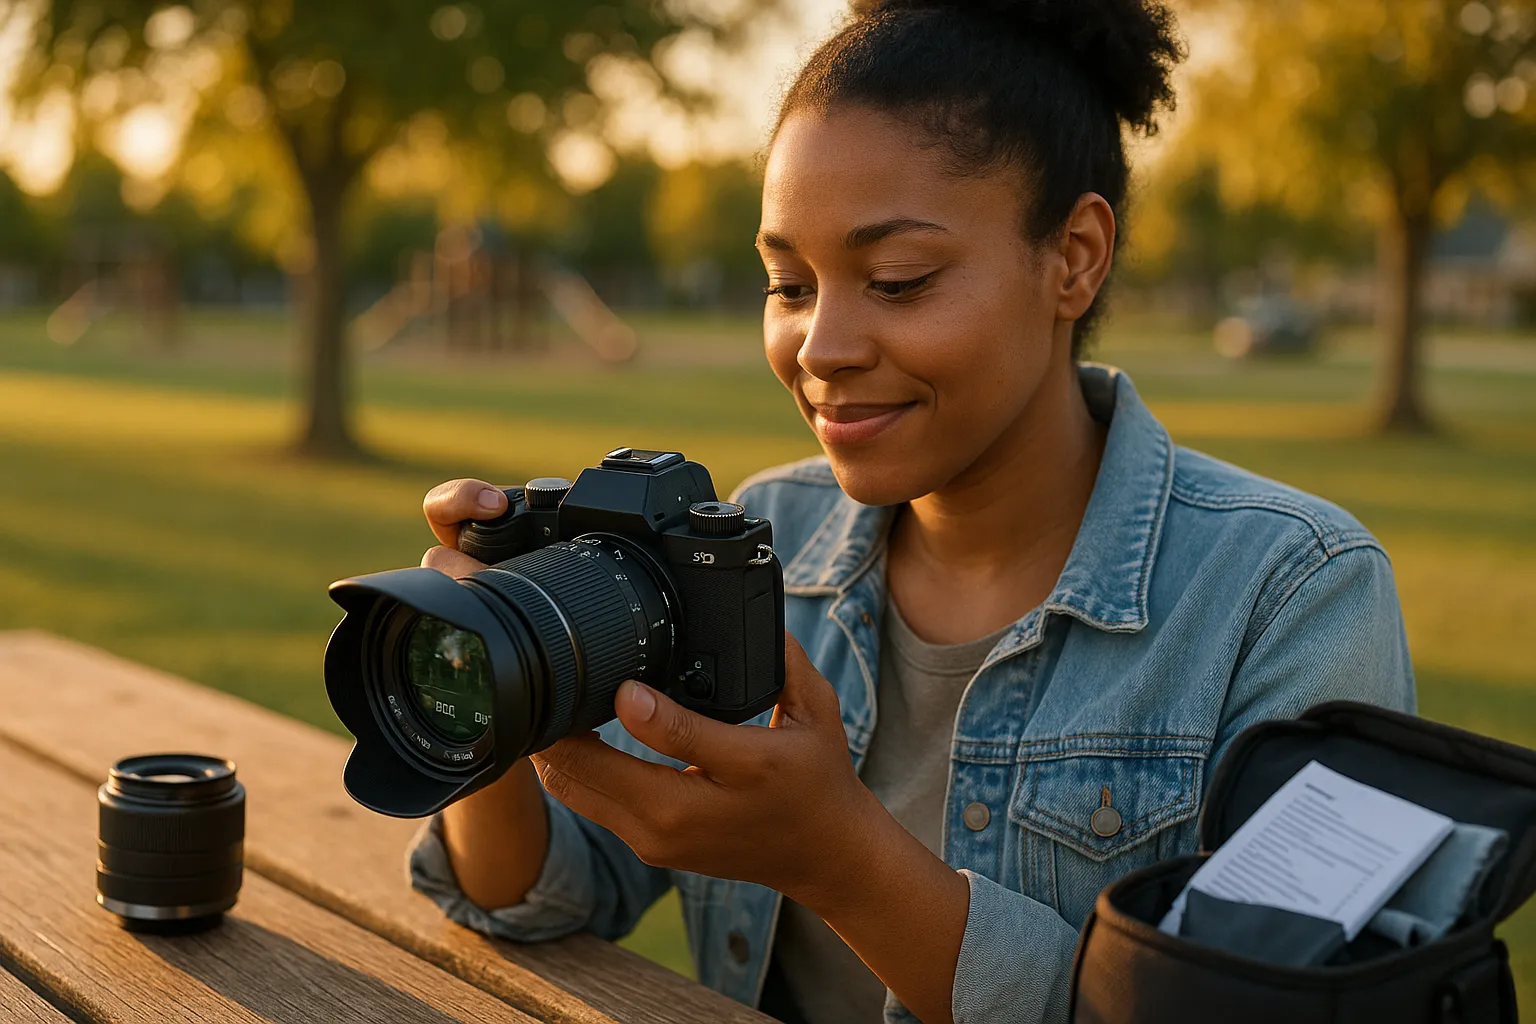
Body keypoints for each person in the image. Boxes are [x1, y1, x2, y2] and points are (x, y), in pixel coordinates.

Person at [405, 1, 1416, 1021]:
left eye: (898, 280)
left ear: (1074, 257)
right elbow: (539, 892)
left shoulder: (1292, 597)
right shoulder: (763, 543)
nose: (821, 345)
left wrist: (842, 863)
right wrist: (488, 673)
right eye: (789, 283)